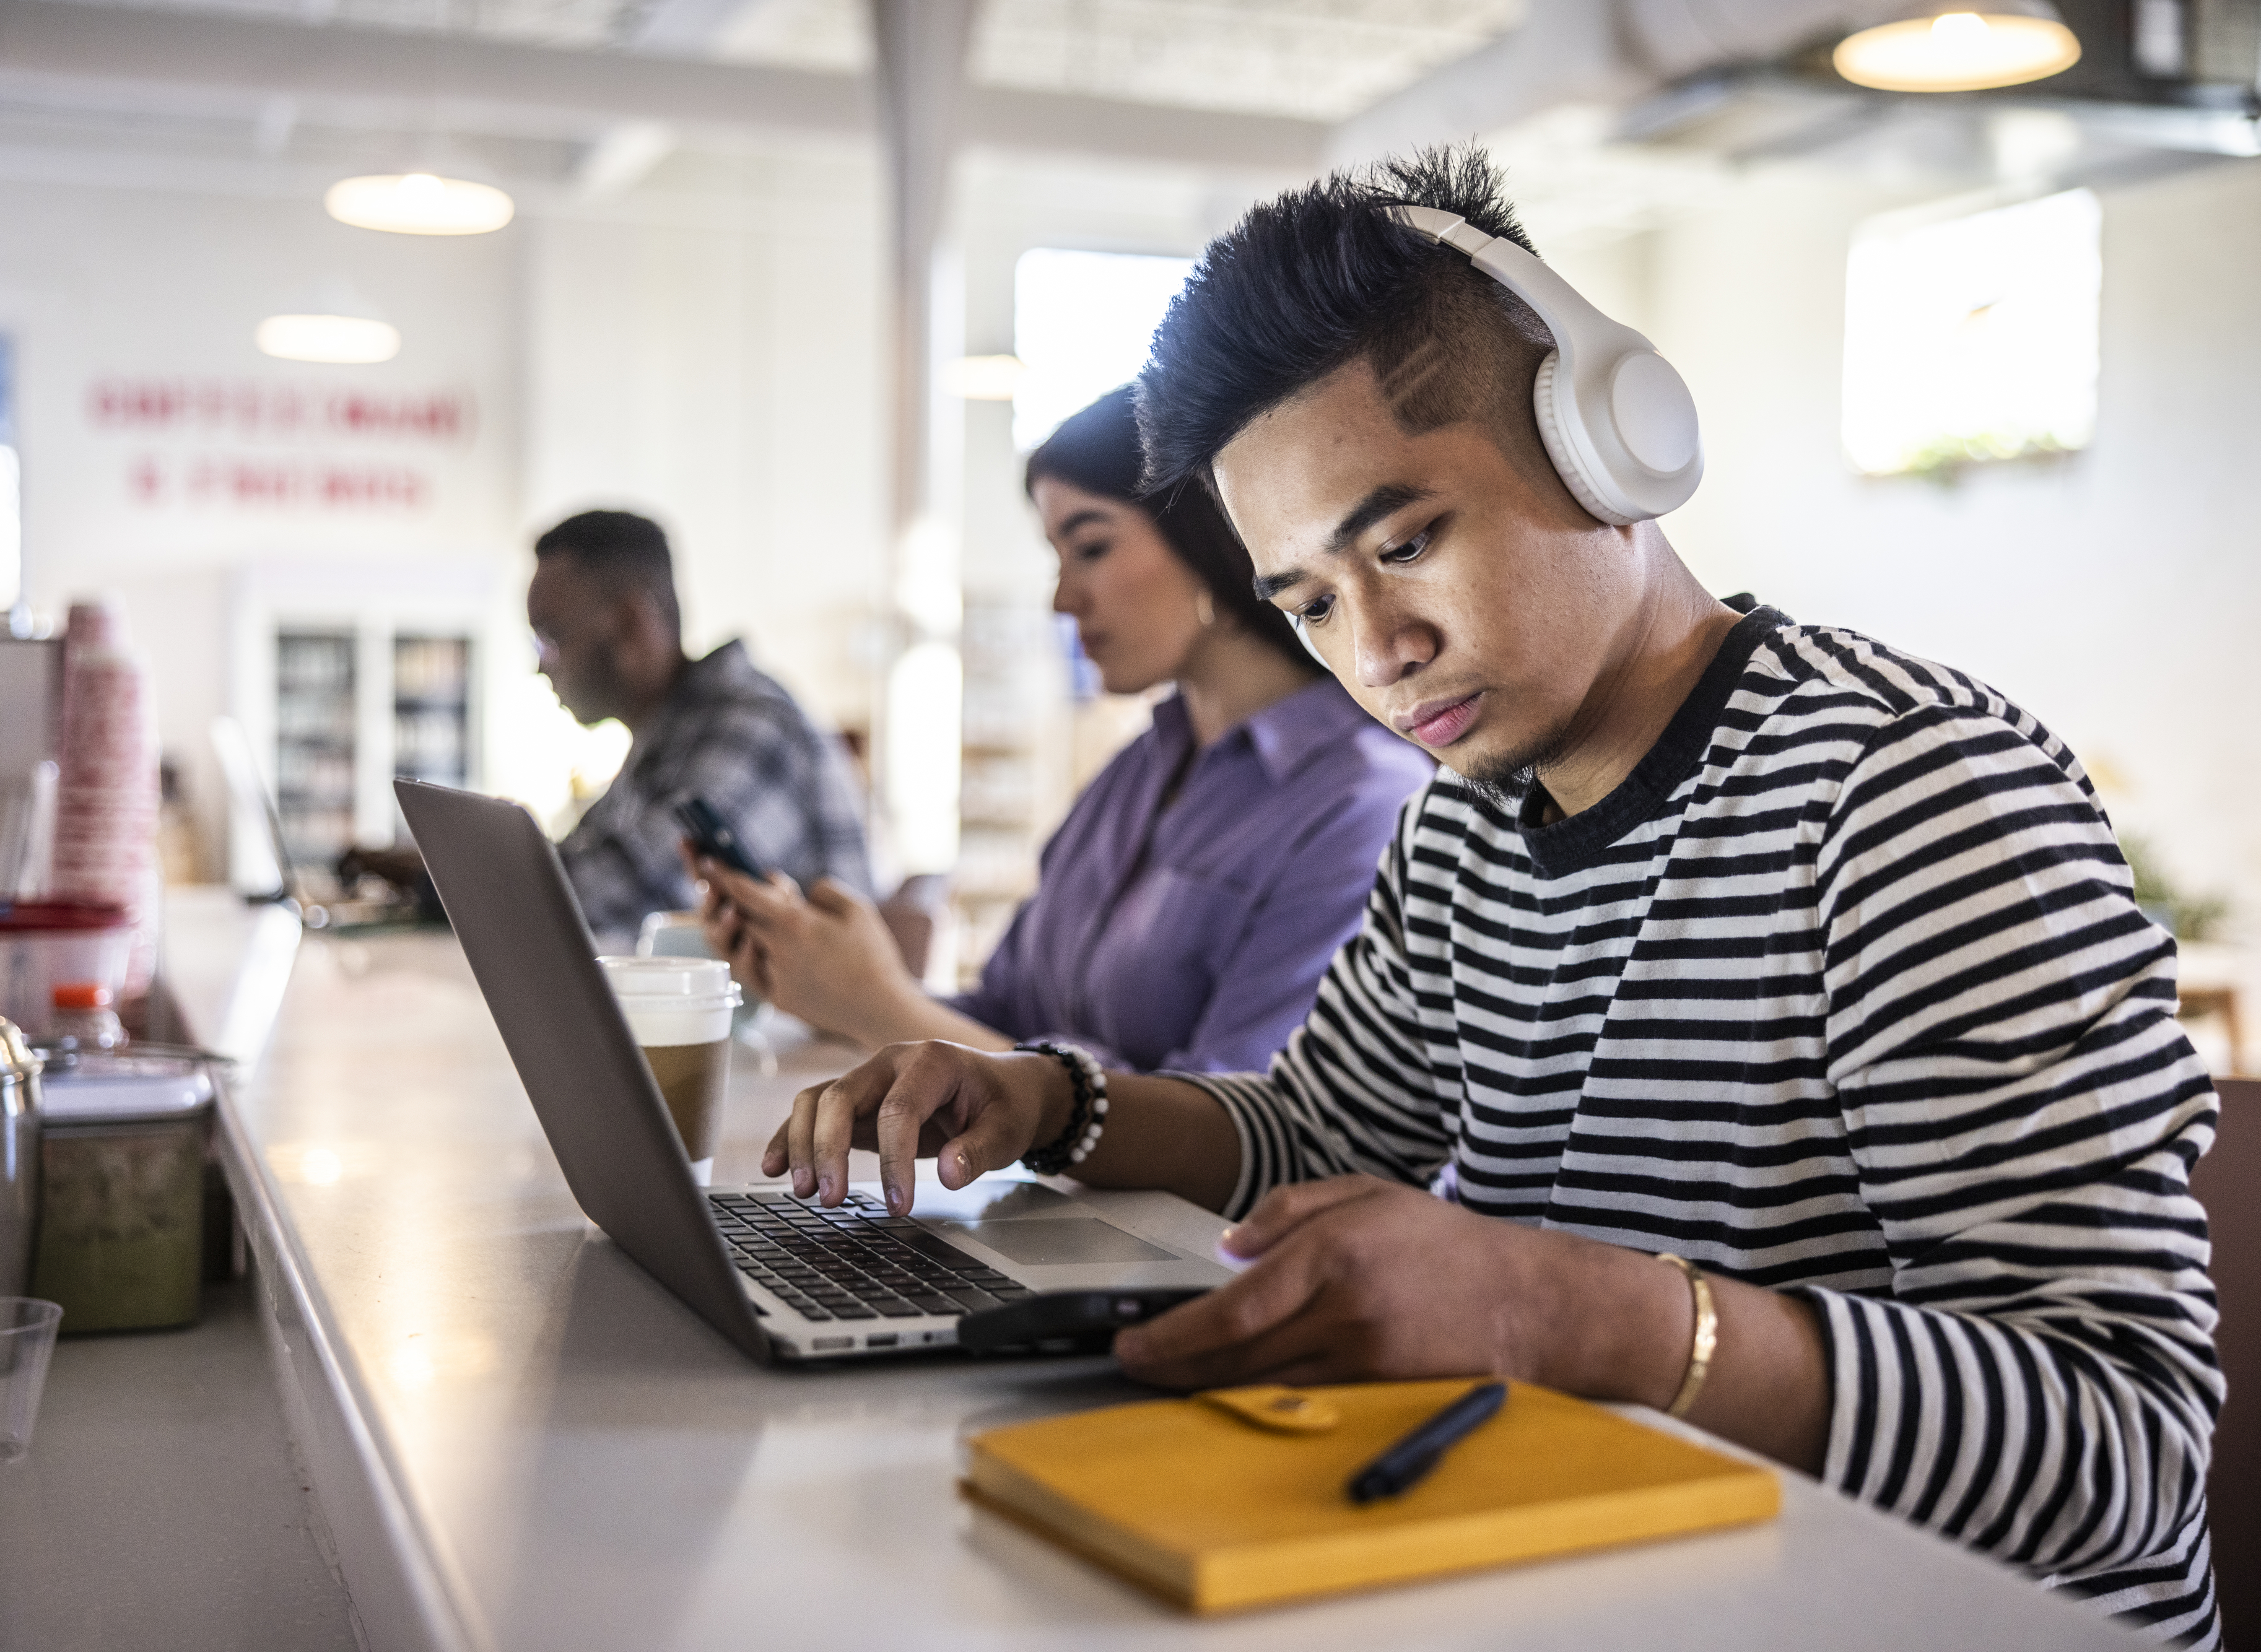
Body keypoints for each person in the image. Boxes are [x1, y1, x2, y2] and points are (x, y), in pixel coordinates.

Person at [763, 150, 2220, 1645]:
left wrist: (1570, 1315)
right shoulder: (1469, 818)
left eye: (1405, 543)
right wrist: (1048, 1107)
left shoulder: (1909, 795)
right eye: (1311, 602)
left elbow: (2124, 1446)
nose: (1376, 650)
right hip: (1602, 1579)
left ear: (1607, 445)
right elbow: (1320, 1133)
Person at [693, 388, 1431, 1072]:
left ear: (1209, 533)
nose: (1061, 599)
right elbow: (1006, 1018)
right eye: (1056, 556)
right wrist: (828, 988)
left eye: (1091, 547)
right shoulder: (1136, 772)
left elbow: (1238, 1131)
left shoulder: (1362, 803)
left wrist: (881, 1005)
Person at [350, 509, 873, 949]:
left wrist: (430, 880)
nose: (541, 667)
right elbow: (575, 866)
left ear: (630, 624)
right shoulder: (667, 736)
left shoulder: (749, 726)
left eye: (550, 639)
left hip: (818, 1058)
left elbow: (613, 898)